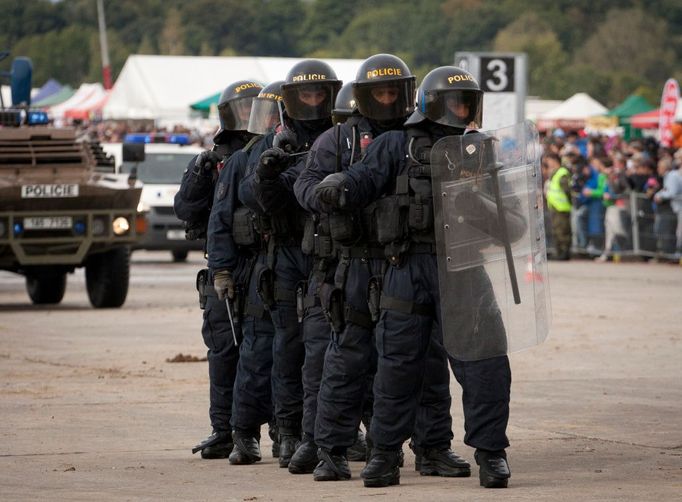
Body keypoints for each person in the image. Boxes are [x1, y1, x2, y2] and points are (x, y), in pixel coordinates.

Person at [311, 66, 513, 489]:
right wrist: (334, 187)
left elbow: (508, 211)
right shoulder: (395, 145)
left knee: (484, 362)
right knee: (397, 366)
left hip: (464, 267)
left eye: (466, 102)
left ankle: (492, 453)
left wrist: (501, 214)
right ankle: (384, 454)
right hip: (407, 267)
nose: (460, 111)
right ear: (431, 105)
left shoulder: (478, 151)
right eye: (453, 102)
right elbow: (360, 181)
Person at [294, 54, 466, 482]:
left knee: (426, 359)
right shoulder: (338, 140)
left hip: (409, 261)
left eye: (395, 91)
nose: (388, 100)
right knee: (348, 357)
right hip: (356, 264)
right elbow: (305, 187)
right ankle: (330, 450)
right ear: (364, 96)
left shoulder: (425, 138)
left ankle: (432, 447)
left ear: (409, 94)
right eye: (380, 92)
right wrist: (331, 195)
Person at [239, 60, 341, 470]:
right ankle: (288, 430)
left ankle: (337, 429)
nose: (313, 102)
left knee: (333, 346)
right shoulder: (273, 140)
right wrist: (267, 172)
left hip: (328, 250)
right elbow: (249, 196)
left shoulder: (340, 137)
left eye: (319, 94)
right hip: (285, 252)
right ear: (291, 99)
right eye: (306, 95)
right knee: (287, 345)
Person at [173, 80, 262, 459]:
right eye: (240, 109)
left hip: (264, 262)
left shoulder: (274, 148)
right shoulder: (215, 157)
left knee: (269, 352)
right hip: (224, 266)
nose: (246, 116)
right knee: (224, 350)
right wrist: (198, 172)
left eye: (252, 108)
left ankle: (276, 429)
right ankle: (222, 429)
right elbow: (186, 210)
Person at [207, 81, 285, 465]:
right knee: (252, 355)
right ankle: (244, 433)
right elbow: (220, 222)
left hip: (293, 263)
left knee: (298, 356)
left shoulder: (307, 151)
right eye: (267, 115)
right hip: (253, 267)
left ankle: (290, 431)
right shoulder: (243, 160)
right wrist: (221, 271)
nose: (271, 122)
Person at [544, 152, 572, 260]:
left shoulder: (562, 172)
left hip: (562, 207)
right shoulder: (555, 173)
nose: (548, 164)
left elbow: (566, 190)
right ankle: (559, 252)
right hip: (555, 206)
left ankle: (564, 253)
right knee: (556, 230)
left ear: (555, 161)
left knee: (562, 231)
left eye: (549, 161)